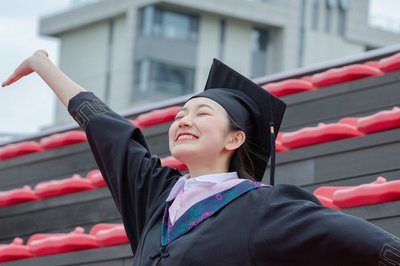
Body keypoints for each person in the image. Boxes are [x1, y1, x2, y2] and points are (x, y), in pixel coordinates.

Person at [3, 50, 400, 266]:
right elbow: (110, 132)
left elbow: (368, 245)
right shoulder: (156, 197)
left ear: (235, 138)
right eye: (179, 116)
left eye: (202, 114)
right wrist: (43, 65)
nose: (184, 121)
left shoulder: (266, 206)